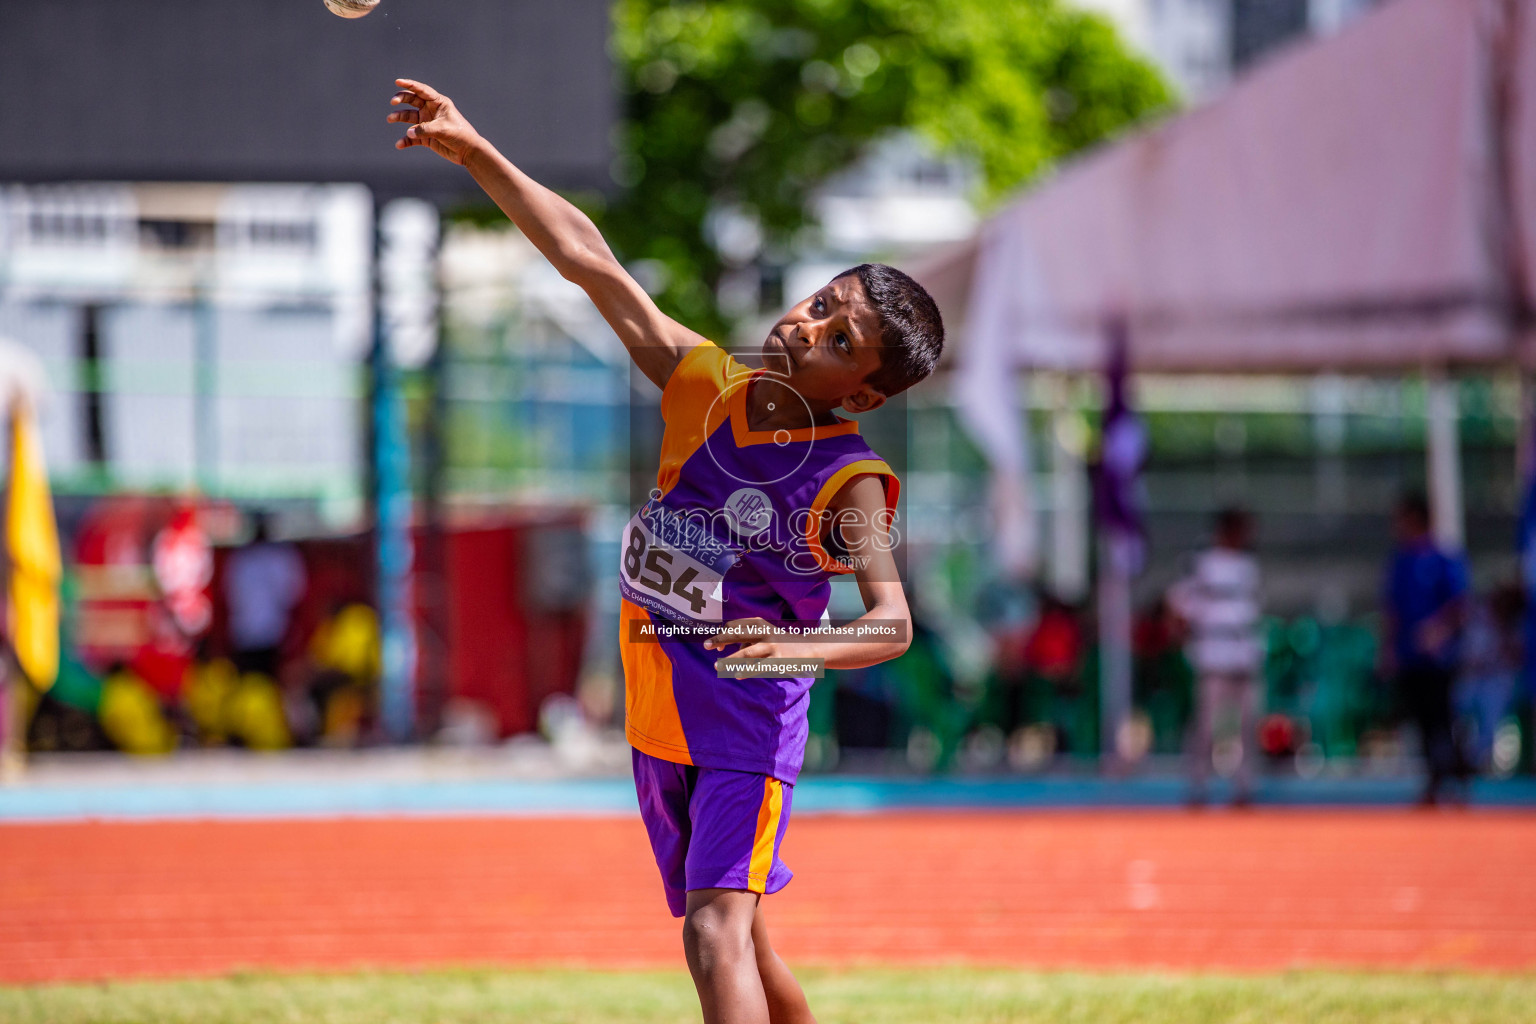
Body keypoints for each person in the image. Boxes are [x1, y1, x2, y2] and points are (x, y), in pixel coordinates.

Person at [388, 79, 940, 1023]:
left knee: (711, 933)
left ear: (861, 395)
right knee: (747, 938)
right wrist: (475, 150)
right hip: (661, 705)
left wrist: (791, 652)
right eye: (822, 304)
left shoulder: (847, 479)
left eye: (839, 337)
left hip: (750, 723)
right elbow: (589, 260)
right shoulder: (705, 385)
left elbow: (889, 624)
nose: (809, 325)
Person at [1169, 506, 1263, 806]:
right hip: (1212, 657)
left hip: (1245, 656)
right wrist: (1184, 630)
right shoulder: (1203, 563)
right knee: (1207, 726)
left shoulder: (1248, 565)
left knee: (1247, 725)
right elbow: (1179, 602)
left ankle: (1244, 787)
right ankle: (1198, 786)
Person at [1382, 491, 1470, 805]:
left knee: (1442, 718)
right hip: (1410, 656)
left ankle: (1456, 778)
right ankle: (1434, 778)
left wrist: (1439, 631)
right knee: (1419, 719)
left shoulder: (1443, 558)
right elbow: (1391, 610)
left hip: (1438, 657)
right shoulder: (1401, 561)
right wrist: (1389, 650)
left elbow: (1459, 604)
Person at [223, 511, 306, 680]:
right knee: (251, 684)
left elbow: (293, 594)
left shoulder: (279, 556)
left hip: (272, 633)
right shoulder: (243, 558)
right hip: (248, 633)